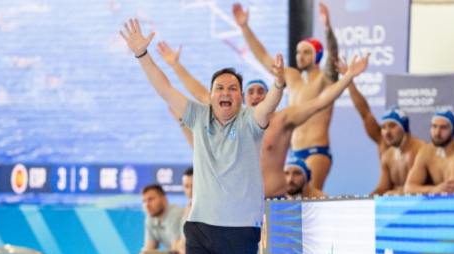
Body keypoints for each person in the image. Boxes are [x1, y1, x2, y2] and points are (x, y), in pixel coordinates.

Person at [120, 18, 285, 254]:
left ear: (240, 97)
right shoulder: (196, 115)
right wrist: (142, 55)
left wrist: (277, 84)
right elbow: (164, 88)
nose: (226, 92)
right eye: (219, 87)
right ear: (210, 95)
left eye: (233, 88)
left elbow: (270, 105)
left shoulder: (250, 121)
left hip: (240, 229)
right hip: (200, 228)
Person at [156, 42, 368, 198]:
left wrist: (348, 76)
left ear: (269, 97)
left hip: (275, 200)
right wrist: (175, 65)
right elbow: (202, 93)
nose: (256, 96)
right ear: (242, 98)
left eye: (261, 92)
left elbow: (321, 101)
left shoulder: (283, 119)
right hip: (242, 204)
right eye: (251, 92)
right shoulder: (233, 121)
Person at [232, 2, 339, 192]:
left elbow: (333, 60)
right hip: (294, 151)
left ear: (317, 56)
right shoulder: (292, 76)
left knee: (309, 196)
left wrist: (328, 29)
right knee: (294, 196)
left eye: (306, 52)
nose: (300, 56)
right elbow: (263, 56)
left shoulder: (324, 80)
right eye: (298, 52)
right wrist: (244, 27)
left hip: (316, 149)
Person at [336, 59, 425, 195]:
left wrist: (396, 194)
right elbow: (365, 113)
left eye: (392, 126)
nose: (387, 132)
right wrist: (349, 80)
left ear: (404, 128)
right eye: (383, 127)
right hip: (393, 202)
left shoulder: (420, 151)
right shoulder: (385, 147)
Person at [404, 109, 454, 194]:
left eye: (443, 128)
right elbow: (408, 188)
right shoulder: (426, 152)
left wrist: (429, 190)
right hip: (442, 201)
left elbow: (451, 193)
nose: (437, 133)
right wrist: (433, 189)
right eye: (434, 126)